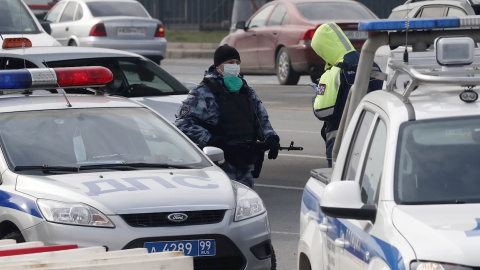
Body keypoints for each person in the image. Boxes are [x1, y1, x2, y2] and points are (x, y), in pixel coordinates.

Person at [174, 44, 280, 188]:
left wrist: (271, 138)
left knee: (245, 205)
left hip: (244, 164)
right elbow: (183, 124)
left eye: (237, 63)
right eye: (230, 63)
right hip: (217, 165)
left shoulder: (246, 91)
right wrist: (213, 141)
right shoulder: (203, 92)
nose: (235, 66)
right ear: (218, 67)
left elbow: (261, 119)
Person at [310, 22, 383, 167]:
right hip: (371, 136)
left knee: (339, 182)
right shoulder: (369, 62)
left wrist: (316, 96)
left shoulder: (335, 71)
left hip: (340, 139)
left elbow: (323, 111)